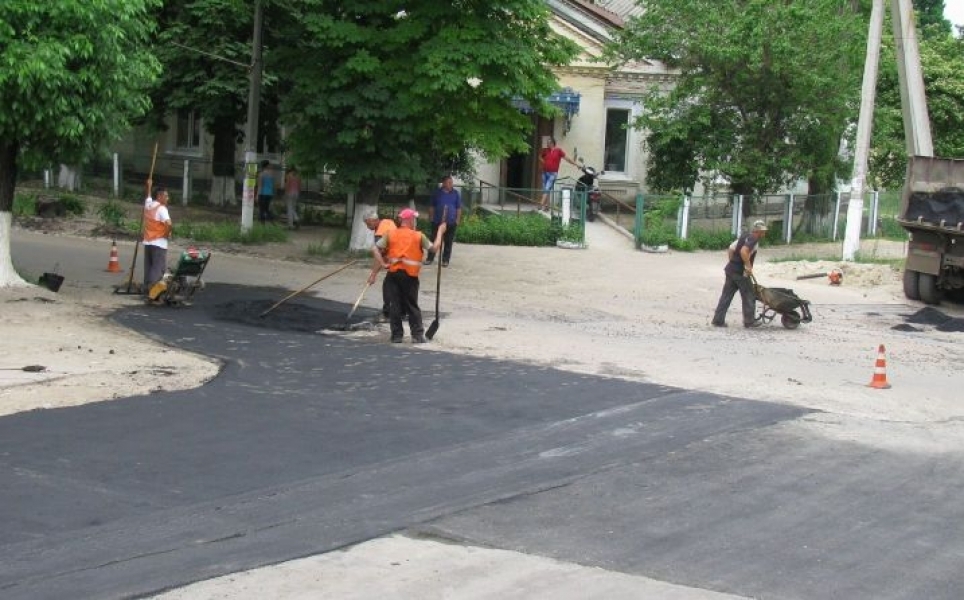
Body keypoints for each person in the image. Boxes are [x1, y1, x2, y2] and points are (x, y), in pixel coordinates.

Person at [369, 208, 443, 344]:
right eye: (414, 219)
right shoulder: (418, 236)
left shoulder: (390, 234)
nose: (415, 221)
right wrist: (440, 232)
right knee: (412, 305)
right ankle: (417, 335)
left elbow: (374, 249)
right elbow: (434, 248)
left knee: (395, 305)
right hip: (410, 276)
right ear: (408, 220)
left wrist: (383, 264)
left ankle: (397, 336)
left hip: (394, 274)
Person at [711, 220, 768, 328]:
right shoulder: (754, 239)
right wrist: (747, 266)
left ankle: (718, 320)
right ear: (758, 231)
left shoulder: (744, 236)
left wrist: (733, 263)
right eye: (763, 231)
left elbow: (731, 248)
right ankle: (749, 321)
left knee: (726, 296)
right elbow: (744, 251)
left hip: (731, 270)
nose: (764, 233)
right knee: (749, 295)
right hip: (741, 273)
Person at [364, 209, 398, 318]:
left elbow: (380, 256)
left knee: (388, 285)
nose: (367, 226)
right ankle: (400, 311)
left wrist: (373, 275)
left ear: (374, 220)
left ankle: (388, 311)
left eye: (368, 223)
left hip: (398, 260)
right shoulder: (388, 222)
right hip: (404, 257)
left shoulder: (379, 234)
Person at [142, 179, 173, 294]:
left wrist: (149, 186)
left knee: (149, 267)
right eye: (166, 196)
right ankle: (154, 292)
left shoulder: (149, 205)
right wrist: (167, 233)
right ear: (160, 196)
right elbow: (169, 223)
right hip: (159, 243)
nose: (168, 198)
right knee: (157, 269)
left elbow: (148, 197)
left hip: (148, 242)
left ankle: (147, 288)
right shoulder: (161, 209)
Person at [424, 175, 462, 267]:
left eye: (451, 182)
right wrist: (431, 217)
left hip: (451, 222)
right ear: (444, 183)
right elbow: (431, 206)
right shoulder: (437, 193)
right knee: (433, 240)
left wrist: (457, 219)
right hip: (437, 221)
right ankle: (430, 258)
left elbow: (458, 208)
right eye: (449, 182)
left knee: (448, 241)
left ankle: (445, 260)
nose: (451, 184)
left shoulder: (455, 193)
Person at [538, 137, 578, 211]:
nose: (547, 144)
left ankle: (541, 204)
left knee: (547, 188)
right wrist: (543, 162)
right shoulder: (545, 150)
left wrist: (575, 164)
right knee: (546, 189)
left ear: (552, 143)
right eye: (547, 142)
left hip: (553, 173)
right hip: (544, 172)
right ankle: (547, 206)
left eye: (548, 142)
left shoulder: (558, 151)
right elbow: (539, 156)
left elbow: (567, 159)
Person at [256, 160, 276, 224]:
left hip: (262, 194)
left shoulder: (261, 174)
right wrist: (273, 193)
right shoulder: (272, 174)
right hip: (269, 194)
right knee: (267, 209)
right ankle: (272, 223)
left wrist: (257, 195)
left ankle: (263, 225)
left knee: (262, 210)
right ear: (267, 165)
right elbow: (273, 185)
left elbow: (260, 186)